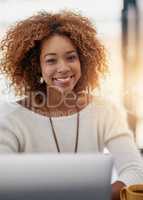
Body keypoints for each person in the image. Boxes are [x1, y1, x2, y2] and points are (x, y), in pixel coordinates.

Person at [0, 10, 143, 200]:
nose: (64, 68)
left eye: (71, 57)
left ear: (82, 60)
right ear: (37, 66)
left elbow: (134, 170)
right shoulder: (10, 117)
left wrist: (98, 195)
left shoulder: (105, 111)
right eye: (51, 60)